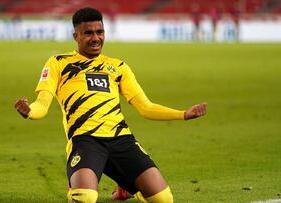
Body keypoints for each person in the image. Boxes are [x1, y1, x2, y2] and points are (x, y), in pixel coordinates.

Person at [14, 7, 207, 203]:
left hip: (121, 139)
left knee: (164, 199)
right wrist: (30, 111)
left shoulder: (118, 67)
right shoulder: (59, 63)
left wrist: (183, 114)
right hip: (86, 140)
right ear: (76, 36)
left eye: (100, 32)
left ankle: (126, 187)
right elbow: (42, 103)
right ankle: (76, 183)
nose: (96, 38)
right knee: (85, 198)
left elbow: (145, 107)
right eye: (88, 33)